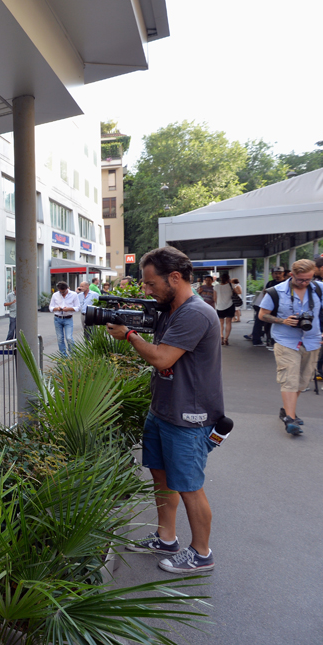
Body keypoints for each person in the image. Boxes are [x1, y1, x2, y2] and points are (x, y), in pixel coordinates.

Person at [110, 246, 222, 574]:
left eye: (150, 284)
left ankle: (202, 554)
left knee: (188, 485)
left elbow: (162, 358)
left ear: (174, 278)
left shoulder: (195, 312)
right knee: (162, 477)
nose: (146, 290)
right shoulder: (170, 309)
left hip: (190, 415)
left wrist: (129, 335)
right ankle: (166, 538)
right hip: (163, 409)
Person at [258, 259, 323, 435]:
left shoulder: (319, 288)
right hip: (285, 340)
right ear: (291, 275)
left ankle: (286, 410)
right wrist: (282, 320)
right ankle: (291, 420)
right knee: (289, 378)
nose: (305, 283)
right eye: (301, 279)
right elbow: (263, 315)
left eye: (308, 279)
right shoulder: (275, 291)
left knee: (302, 382)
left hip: (312, 340)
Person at [49, 281, 80, 355]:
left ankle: (73, 355)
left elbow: (78, 307)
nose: (62, 293)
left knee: (69, 337)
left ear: (67, 288)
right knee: (60, 338)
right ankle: (63, 357)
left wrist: (68, 309)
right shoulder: (55, 295)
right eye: (60, 292)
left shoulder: (73, 294)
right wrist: (57, 308)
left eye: (63, 291)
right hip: (57, 318)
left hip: (68, 318)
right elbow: (50, 307)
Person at [213, 273, 238, 345]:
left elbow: (214, 298)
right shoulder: (231, 285)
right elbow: (236, 293)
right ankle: (226, 338)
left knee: (221, 323)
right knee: (228, 322)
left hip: (220, 307)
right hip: (230, 306)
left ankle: (221, 336)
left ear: (220, 278)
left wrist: (217, 304)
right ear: (228, 278)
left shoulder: (216, 286)